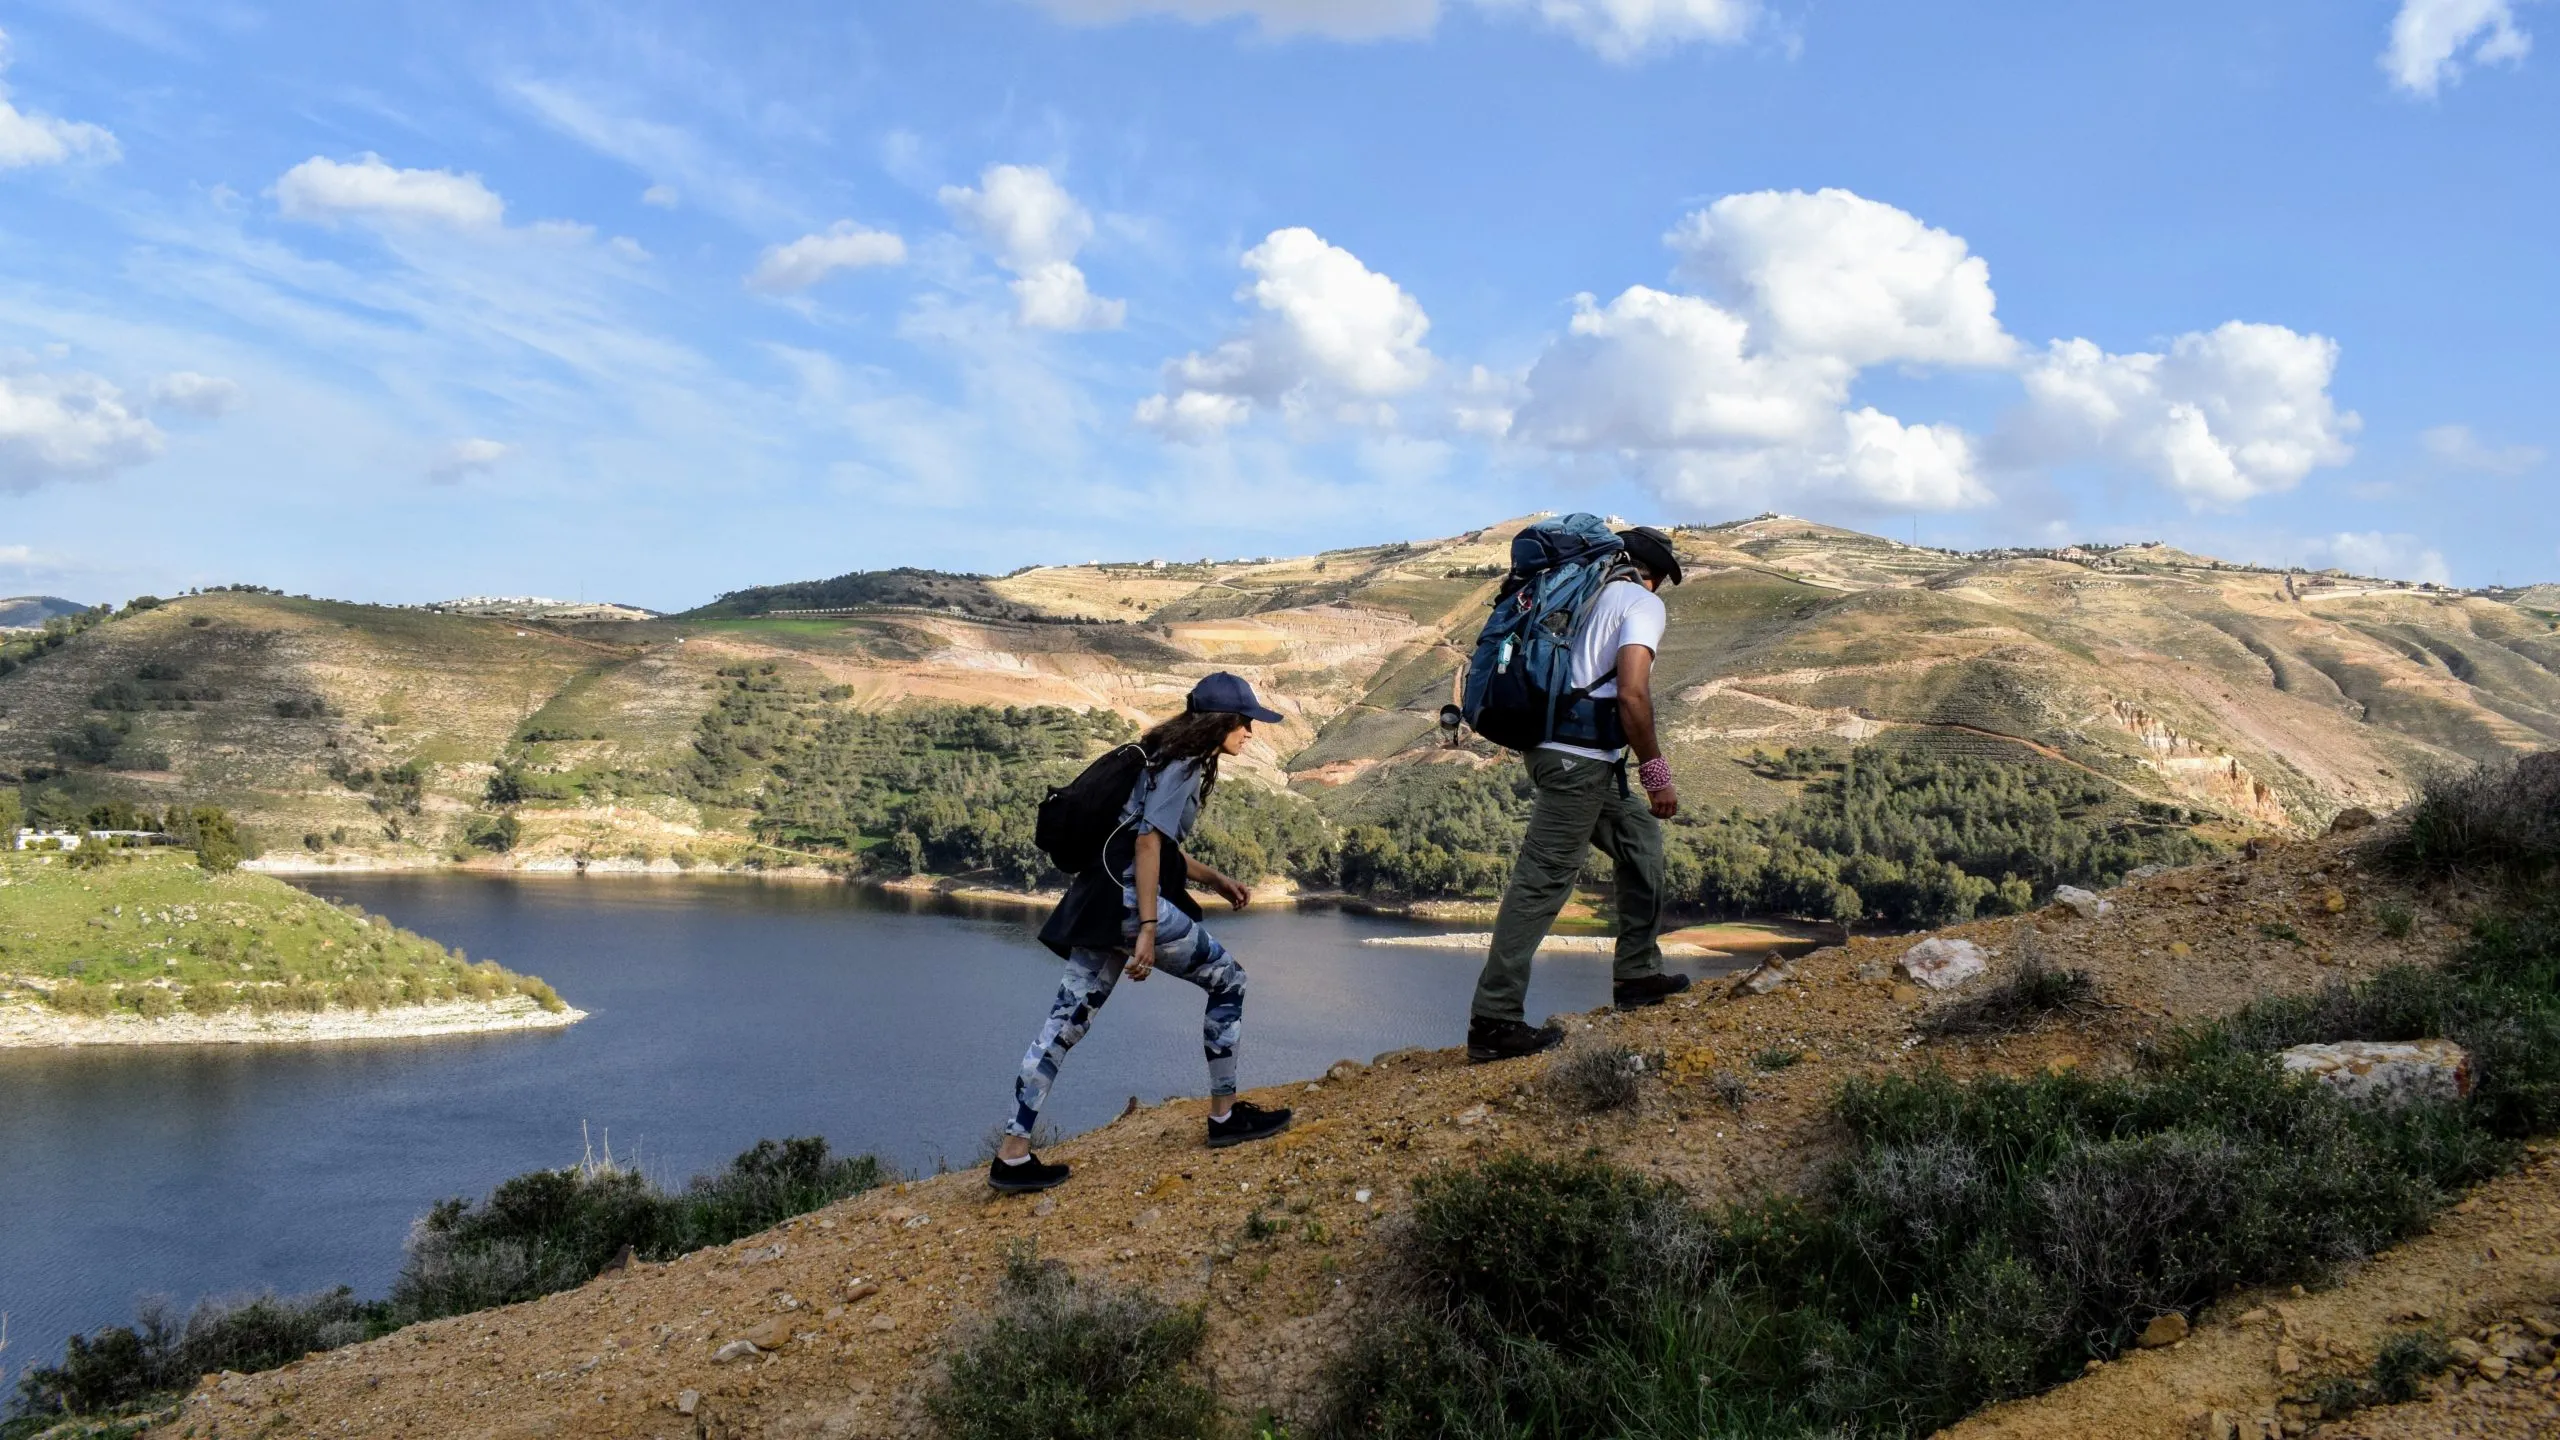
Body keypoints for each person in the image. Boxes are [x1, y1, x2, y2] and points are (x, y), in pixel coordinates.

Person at [990, 672, 1294, 1192]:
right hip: (1134, 906)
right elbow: (1149, 844)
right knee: (1229, 981)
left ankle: (1012, 1155)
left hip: (1101, 903)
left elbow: (1148, 841)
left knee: (1062, 1026)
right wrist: (1148, 930)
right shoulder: (1185, 764)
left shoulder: (1157, 755)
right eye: (1245, 722)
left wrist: (1215, 879)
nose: (1250, 732)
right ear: (1220, 721)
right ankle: (1225, 1117)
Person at [1467, 526, 1692, 1062]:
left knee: (1641, 844)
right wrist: (1656, 771)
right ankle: (1493, 1021)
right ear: (1655, 576)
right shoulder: (1640, 602)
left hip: (1563, 753)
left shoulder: (1583, 598)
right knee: (1541, 883)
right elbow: (1632, 694)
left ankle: (1637, 974)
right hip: (1579, 762)